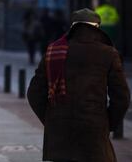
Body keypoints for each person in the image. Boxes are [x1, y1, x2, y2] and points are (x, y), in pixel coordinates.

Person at [27, 8, 130, 162]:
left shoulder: (53, 50)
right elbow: (122, 98)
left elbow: (34, 93)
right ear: (97, 27)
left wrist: (51, 118)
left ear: (73, 27)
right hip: (94, 127)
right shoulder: (108, 53)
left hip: (59, 130)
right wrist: (108, 123)